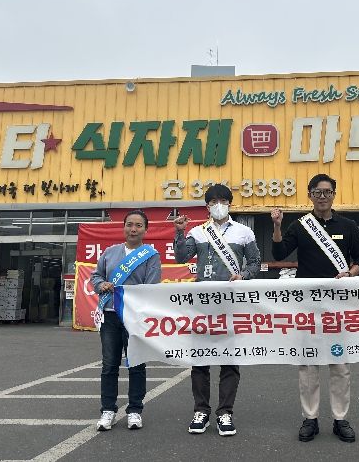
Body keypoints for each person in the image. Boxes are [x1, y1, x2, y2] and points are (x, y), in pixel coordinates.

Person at [271, 174, 359, 443]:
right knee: (308, 363)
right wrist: (277, 226)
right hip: (308, 304)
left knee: (339, 363)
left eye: (327, 192)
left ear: (334, 194)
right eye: (317, 192)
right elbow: (279, 254)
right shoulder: (300, 226)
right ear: (310, 195)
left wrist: (350, 273)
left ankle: (340, 418)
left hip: (339, 304)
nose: (322, 196)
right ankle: (310, 418)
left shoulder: (348, 225)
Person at [174, 184, 261, 437]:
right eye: (214, 202)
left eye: (223, 201)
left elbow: (255, 262)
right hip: (202, 305)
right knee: (200, 360)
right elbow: (181, 258)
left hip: (231, 304)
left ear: (230, 204)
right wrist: (179, 232)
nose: (219, 205)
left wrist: (243, 276)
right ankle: (201, 411)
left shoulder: (244, 232)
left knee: (229, 361)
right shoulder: (198, 232)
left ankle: (225, 413)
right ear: (207, 206)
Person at [91, 209, 162, 431]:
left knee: (136, 364)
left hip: (135, 317)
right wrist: (101, 285)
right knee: (109, 365)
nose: (133, 229)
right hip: (110, 316)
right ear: (123, 227)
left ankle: (135, 410)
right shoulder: (110, 252)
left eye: (138, 225)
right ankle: (108, 410)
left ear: (145, 230)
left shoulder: (151, 255)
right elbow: (96, 276)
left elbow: (151, 287)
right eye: (129, 224)